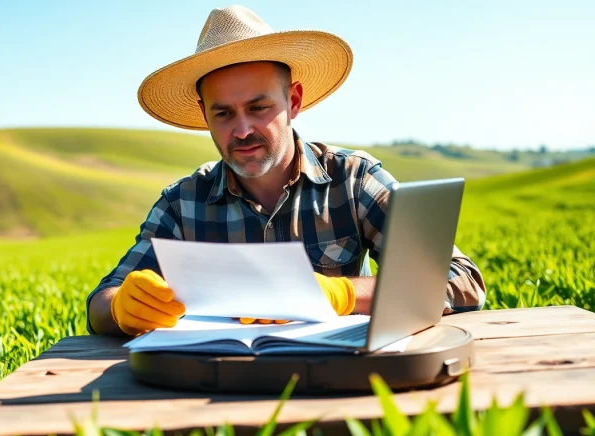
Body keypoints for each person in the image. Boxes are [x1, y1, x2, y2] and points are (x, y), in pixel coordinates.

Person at [86, 5, 486, 336]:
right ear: (203, 116)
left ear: (293, 100)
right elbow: (101, 303)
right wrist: (122, 306)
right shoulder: (182, 202)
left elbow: (461, 279)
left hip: (339, 383)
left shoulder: (353, 179)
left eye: (258, 108)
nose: (241, 130)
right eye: (222, 113)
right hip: (217, 389)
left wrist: (340, 294)